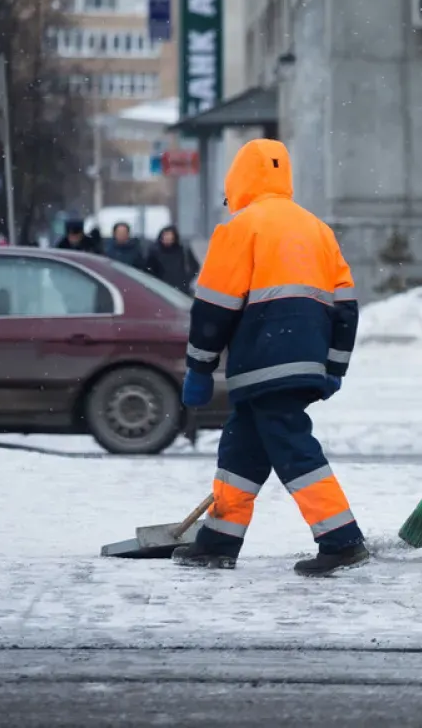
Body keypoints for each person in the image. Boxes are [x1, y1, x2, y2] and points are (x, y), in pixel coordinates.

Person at [171, 138, 367, 577]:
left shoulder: (240, 228)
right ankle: (219, 539)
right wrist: (334, 366)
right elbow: (346, 308)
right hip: (305, 360)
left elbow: (213, 309)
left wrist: (199, 368)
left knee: (293, 447)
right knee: (241, 450)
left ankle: (342, 539)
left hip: (262, 360)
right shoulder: (318, 229)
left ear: (239, 180)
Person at [146, 224, 199, 293]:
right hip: (161, 290)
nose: (167, 238)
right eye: (165, 235)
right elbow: (148, 271)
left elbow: (195, 267)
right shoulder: (155, 253)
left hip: (181, 290)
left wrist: (186, 280)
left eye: (169, 235)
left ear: (174, 237)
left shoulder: (183, 251)